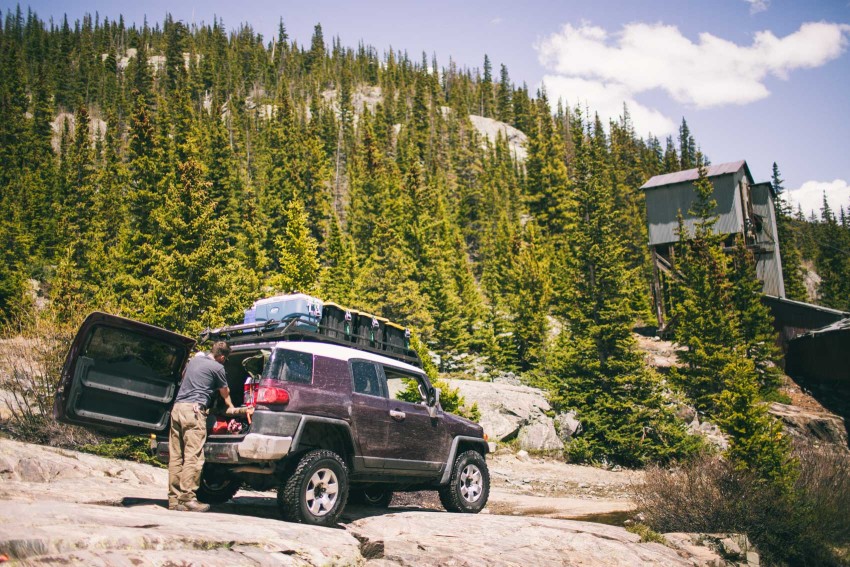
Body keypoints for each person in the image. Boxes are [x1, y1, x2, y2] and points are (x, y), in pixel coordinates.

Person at [168, 341, 251, 512]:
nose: (224, 362)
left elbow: (184, 377)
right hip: (194, 412)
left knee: (176, 456)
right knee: (194, 457)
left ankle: (174, 500)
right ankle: (187, 499)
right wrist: (230, 406)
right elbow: (224, 391)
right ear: (221, 356)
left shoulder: (193, 361)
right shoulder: (217, 367)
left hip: (177, 409)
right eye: (225, 359)